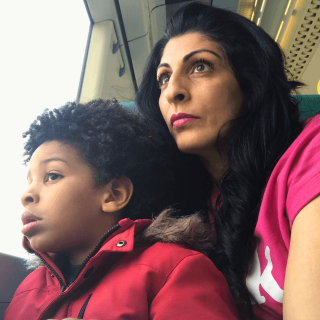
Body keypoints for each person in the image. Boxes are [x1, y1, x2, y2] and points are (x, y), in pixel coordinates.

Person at [135, 2, 320, 319]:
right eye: (163, 78)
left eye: (200, 67)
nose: (173, 91)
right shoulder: (185, 218)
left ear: (249, 83)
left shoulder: (310, 153)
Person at [4, 99, 239, 320]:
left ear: (114, 194)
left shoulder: (172, 269)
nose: (27, 195)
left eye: (52, 176)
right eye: (29, 181)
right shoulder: (28, 288)